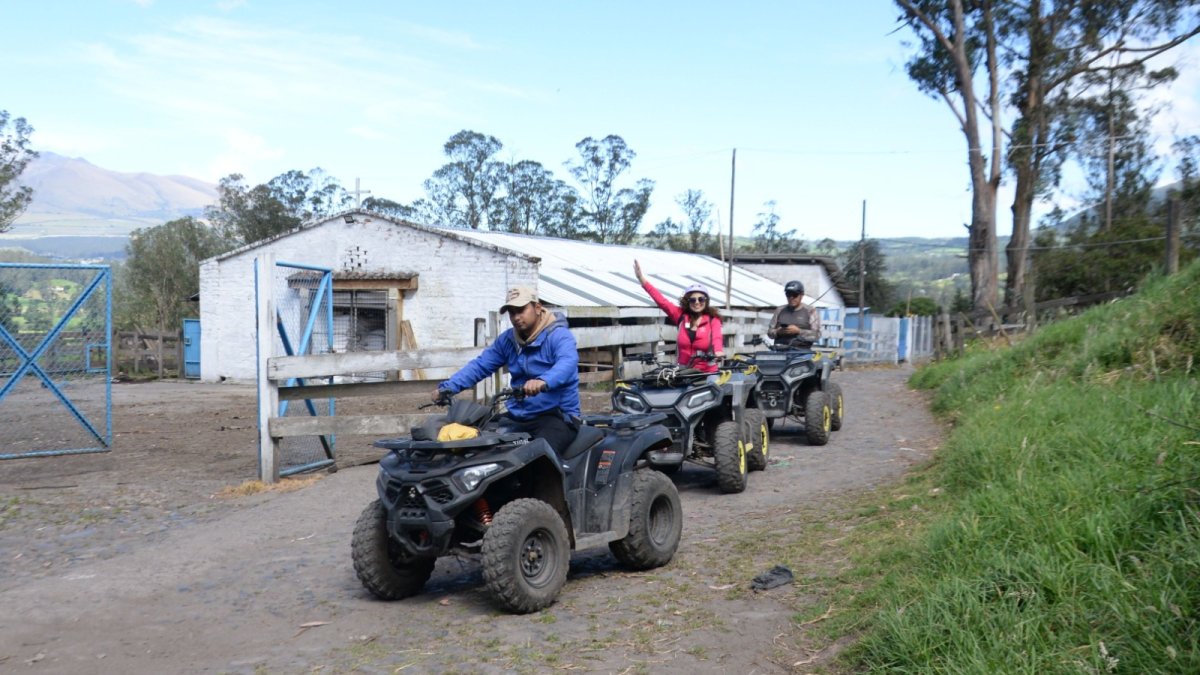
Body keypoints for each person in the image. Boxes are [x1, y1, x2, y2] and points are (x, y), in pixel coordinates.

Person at [432, 286, 581, 454]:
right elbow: (480, 365)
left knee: (539, 458)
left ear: (537, 308)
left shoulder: (559, 336)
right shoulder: (508, 340)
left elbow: (567, 363)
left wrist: (543, 381)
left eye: (521, 310)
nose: (516, 317)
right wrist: (448, 387)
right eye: (512, 313)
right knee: (479, 447)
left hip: (557, 418)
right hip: (518, 417)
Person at [633, 259, 724, 373]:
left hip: (707, 371)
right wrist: (641, 279)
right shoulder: (681, 315)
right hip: (684, 371)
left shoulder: (713, 320)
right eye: (692, 300)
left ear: (706, 301)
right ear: (687, 301)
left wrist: (718, 351)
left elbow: (717, 338)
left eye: (701, 299)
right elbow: (662, 301)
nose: (697, 302)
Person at [767, 280, 821, 348]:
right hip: (780, 352)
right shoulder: (779, 310)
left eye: (795, 295)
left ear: (802, 295)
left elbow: (817, 335)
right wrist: (778, 331)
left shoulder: (810, 311)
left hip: (802, 352)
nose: (791, 298)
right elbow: (769, 332)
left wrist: (798, 331)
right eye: (788, 295)